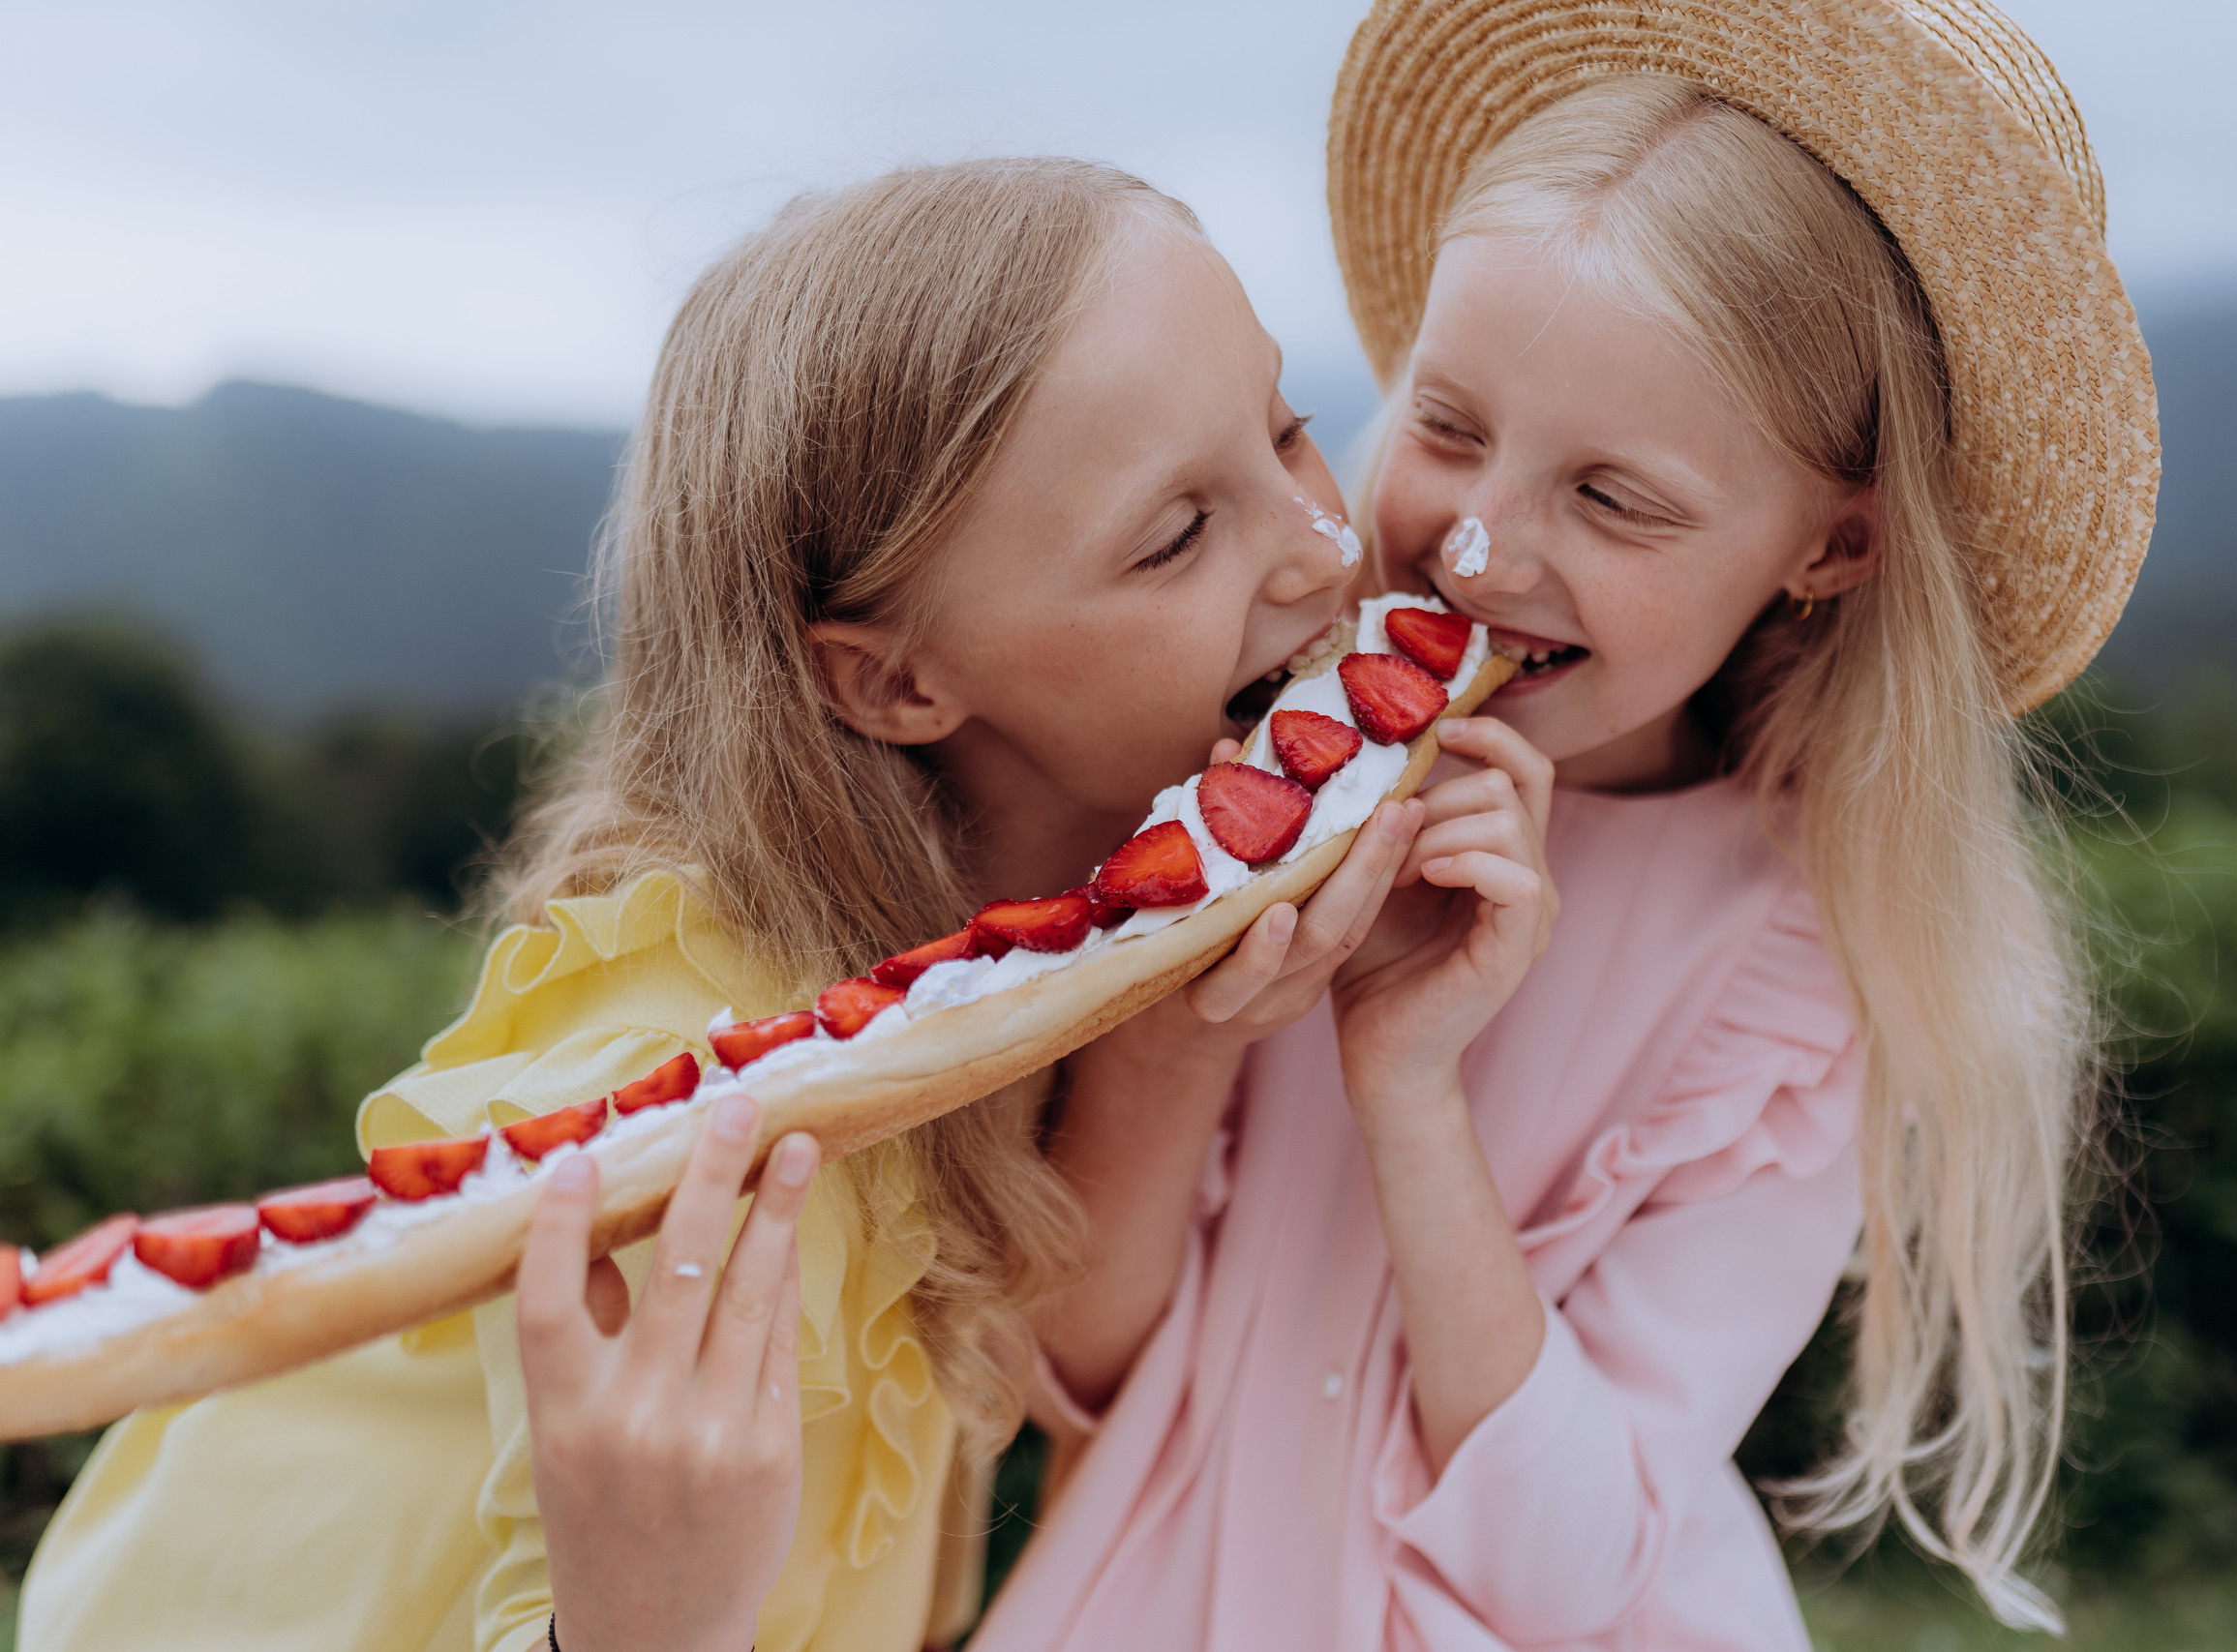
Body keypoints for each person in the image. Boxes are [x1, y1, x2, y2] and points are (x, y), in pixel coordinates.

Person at [20, 154, 1499, 1652]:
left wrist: (1182, 1035)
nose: (1326, 548)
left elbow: (1049, 1344)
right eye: (1176, 535)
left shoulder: (993, 957)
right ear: (895, 681)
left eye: (1289, 431)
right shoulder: (703, 1124)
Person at [977, 2, 2159, 1648]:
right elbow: (1077, 1375)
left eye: (1614, 499)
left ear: (1833, 546)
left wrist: (1408, 1086)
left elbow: (1568, 1572)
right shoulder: (1240, 780)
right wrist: (1185, 1027)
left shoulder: (1799, 966)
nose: (1472, 553)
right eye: (1448, 425)